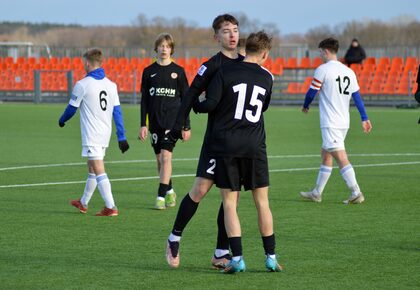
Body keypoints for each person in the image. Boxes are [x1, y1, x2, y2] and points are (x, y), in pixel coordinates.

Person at [193, 30, 283, 273]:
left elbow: (212, 104)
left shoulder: (225, 71)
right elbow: (262, 107)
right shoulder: (268, 77)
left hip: (227, 145)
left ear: (245, 50)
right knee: (262, 202)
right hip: (255, 145)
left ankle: (238, 259)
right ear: (264, 54)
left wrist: (195, 105)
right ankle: (271, 257)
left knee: (230, 203)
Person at [164, 14, 244, 269]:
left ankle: (221, 252)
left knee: (230, 199)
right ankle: (174, 237)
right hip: (216, 140)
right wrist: (178, 126)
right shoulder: (210, 65)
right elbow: (189, 96)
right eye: (226, 31)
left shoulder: (246, 64)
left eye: (235, 30)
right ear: (216, 37)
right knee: (200, 190)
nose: (232, 35)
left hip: (239, 143)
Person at [300, 37, 372, 204]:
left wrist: (305, 105)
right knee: (326, 154)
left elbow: (312, 92)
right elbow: (357, 97)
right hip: (343, 122)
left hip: (330, 121)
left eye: (320, 52)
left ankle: (356, 191)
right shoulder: (348, 71)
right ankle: (317, 192)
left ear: (325, 51)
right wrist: (364, 117)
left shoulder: (323, 69)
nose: (320, 55)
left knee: (340, 157)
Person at [58, 48, 130, 216]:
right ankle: (83, 202)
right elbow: (117, 112)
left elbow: (71, 109)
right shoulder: (111, 85)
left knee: (98, 169)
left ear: (88, 63)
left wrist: (62, 120)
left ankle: (111, 206)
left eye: (85, 62)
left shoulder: (82, 84)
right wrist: (121, 136)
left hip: (92, 135)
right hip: (105, 133)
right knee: (91, 167)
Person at [139, 33, 191, 210]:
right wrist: (143, 124)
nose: (164, 49)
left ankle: (160, 196)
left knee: (167, 157)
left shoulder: (179, 72)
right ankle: (169, 191)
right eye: (161, 46)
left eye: (167, 46)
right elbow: (144, 101)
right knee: (160, 160)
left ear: (171, 49)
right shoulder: (148, 72)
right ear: (156, 48)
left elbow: (186, 100)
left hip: (173, 122)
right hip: (155, 122)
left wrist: (186, 125)